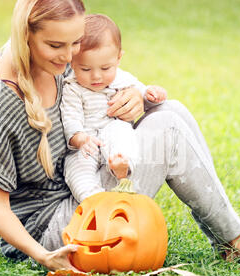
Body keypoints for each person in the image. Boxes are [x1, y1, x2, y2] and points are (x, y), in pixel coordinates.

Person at [0, 0, 240, 272]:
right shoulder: (4, 102)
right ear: (25, 36)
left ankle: (229, 238)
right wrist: (44, 256)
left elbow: (98, 81)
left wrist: (134, 99)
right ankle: (234, 241)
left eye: (75, 42)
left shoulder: (53, 58)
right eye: (56, 45)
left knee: (170, 109)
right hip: (55, 229)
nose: (68, 57)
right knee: (168, 127)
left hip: (86, 178)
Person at [61, 14, 168, 203]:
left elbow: (141, 91)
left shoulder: (122, 78)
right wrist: (80, 139)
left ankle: (122, 165)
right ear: (72, 62)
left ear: (118, 58)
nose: (96, 77)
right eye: (85, 69)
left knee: (123, 133)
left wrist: (151, 93)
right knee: (77, 170)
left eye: (105, 68)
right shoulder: (72, 88)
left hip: (112, 131)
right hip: (87, 142)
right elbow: (70, 117)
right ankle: (93, 199)